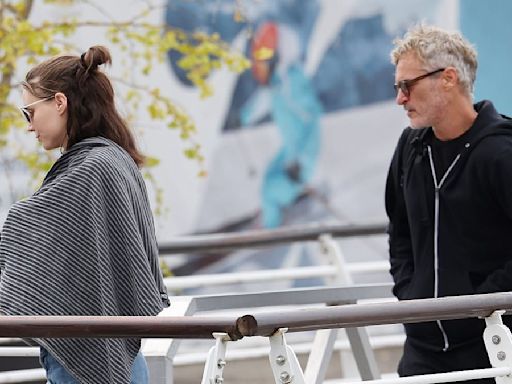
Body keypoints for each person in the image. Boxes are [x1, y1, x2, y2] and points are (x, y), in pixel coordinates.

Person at [0, 46, 170, 383]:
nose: (29, 126)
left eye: (29, 111)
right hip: (118, 350)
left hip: (86, 354)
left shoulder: (91, 168)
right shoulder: (114, 159)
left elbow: (23, 226)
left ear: (59, 103)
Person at [386, 24, 512, 383]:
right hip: (422, 350)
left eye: (407, 85)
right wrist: (411, 295)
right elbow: (399, 233)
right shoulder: (410, 149)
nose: (400, 98)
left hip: (495, 345)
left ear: (448, 78)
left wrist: (480, 304)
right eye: (398, 87)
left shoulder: (501, 152)